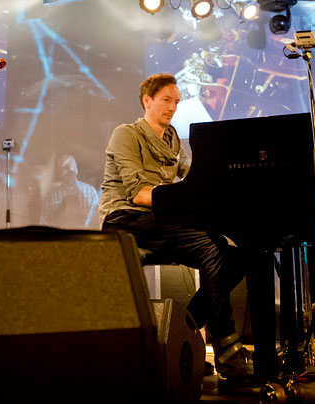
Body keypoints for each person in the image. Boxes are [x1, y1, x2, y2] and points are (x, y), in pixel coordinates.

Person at [99, 73, 254, 378]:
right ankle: (225, 344)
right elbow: (139, 194)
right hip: (124, 220)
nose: (172, 107)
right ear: (148, 100)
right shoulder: (126, 134)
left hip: (160, 219)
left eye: (176, 102)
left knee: (239, 255)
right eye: (166, 100)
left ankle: (187, 324)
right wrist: (190, 206)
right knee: (211, 246)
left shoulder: (171, 139)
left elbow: (194, 179)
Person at [43, 154, 100, 229]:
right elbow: (46, 220)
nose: (69, 171)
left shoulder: (90, 191)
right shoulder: (53, 196)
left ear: (76, 170)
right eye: (64, 168)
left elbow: (98, 217)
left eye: (71, 167)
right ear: (60, 172)